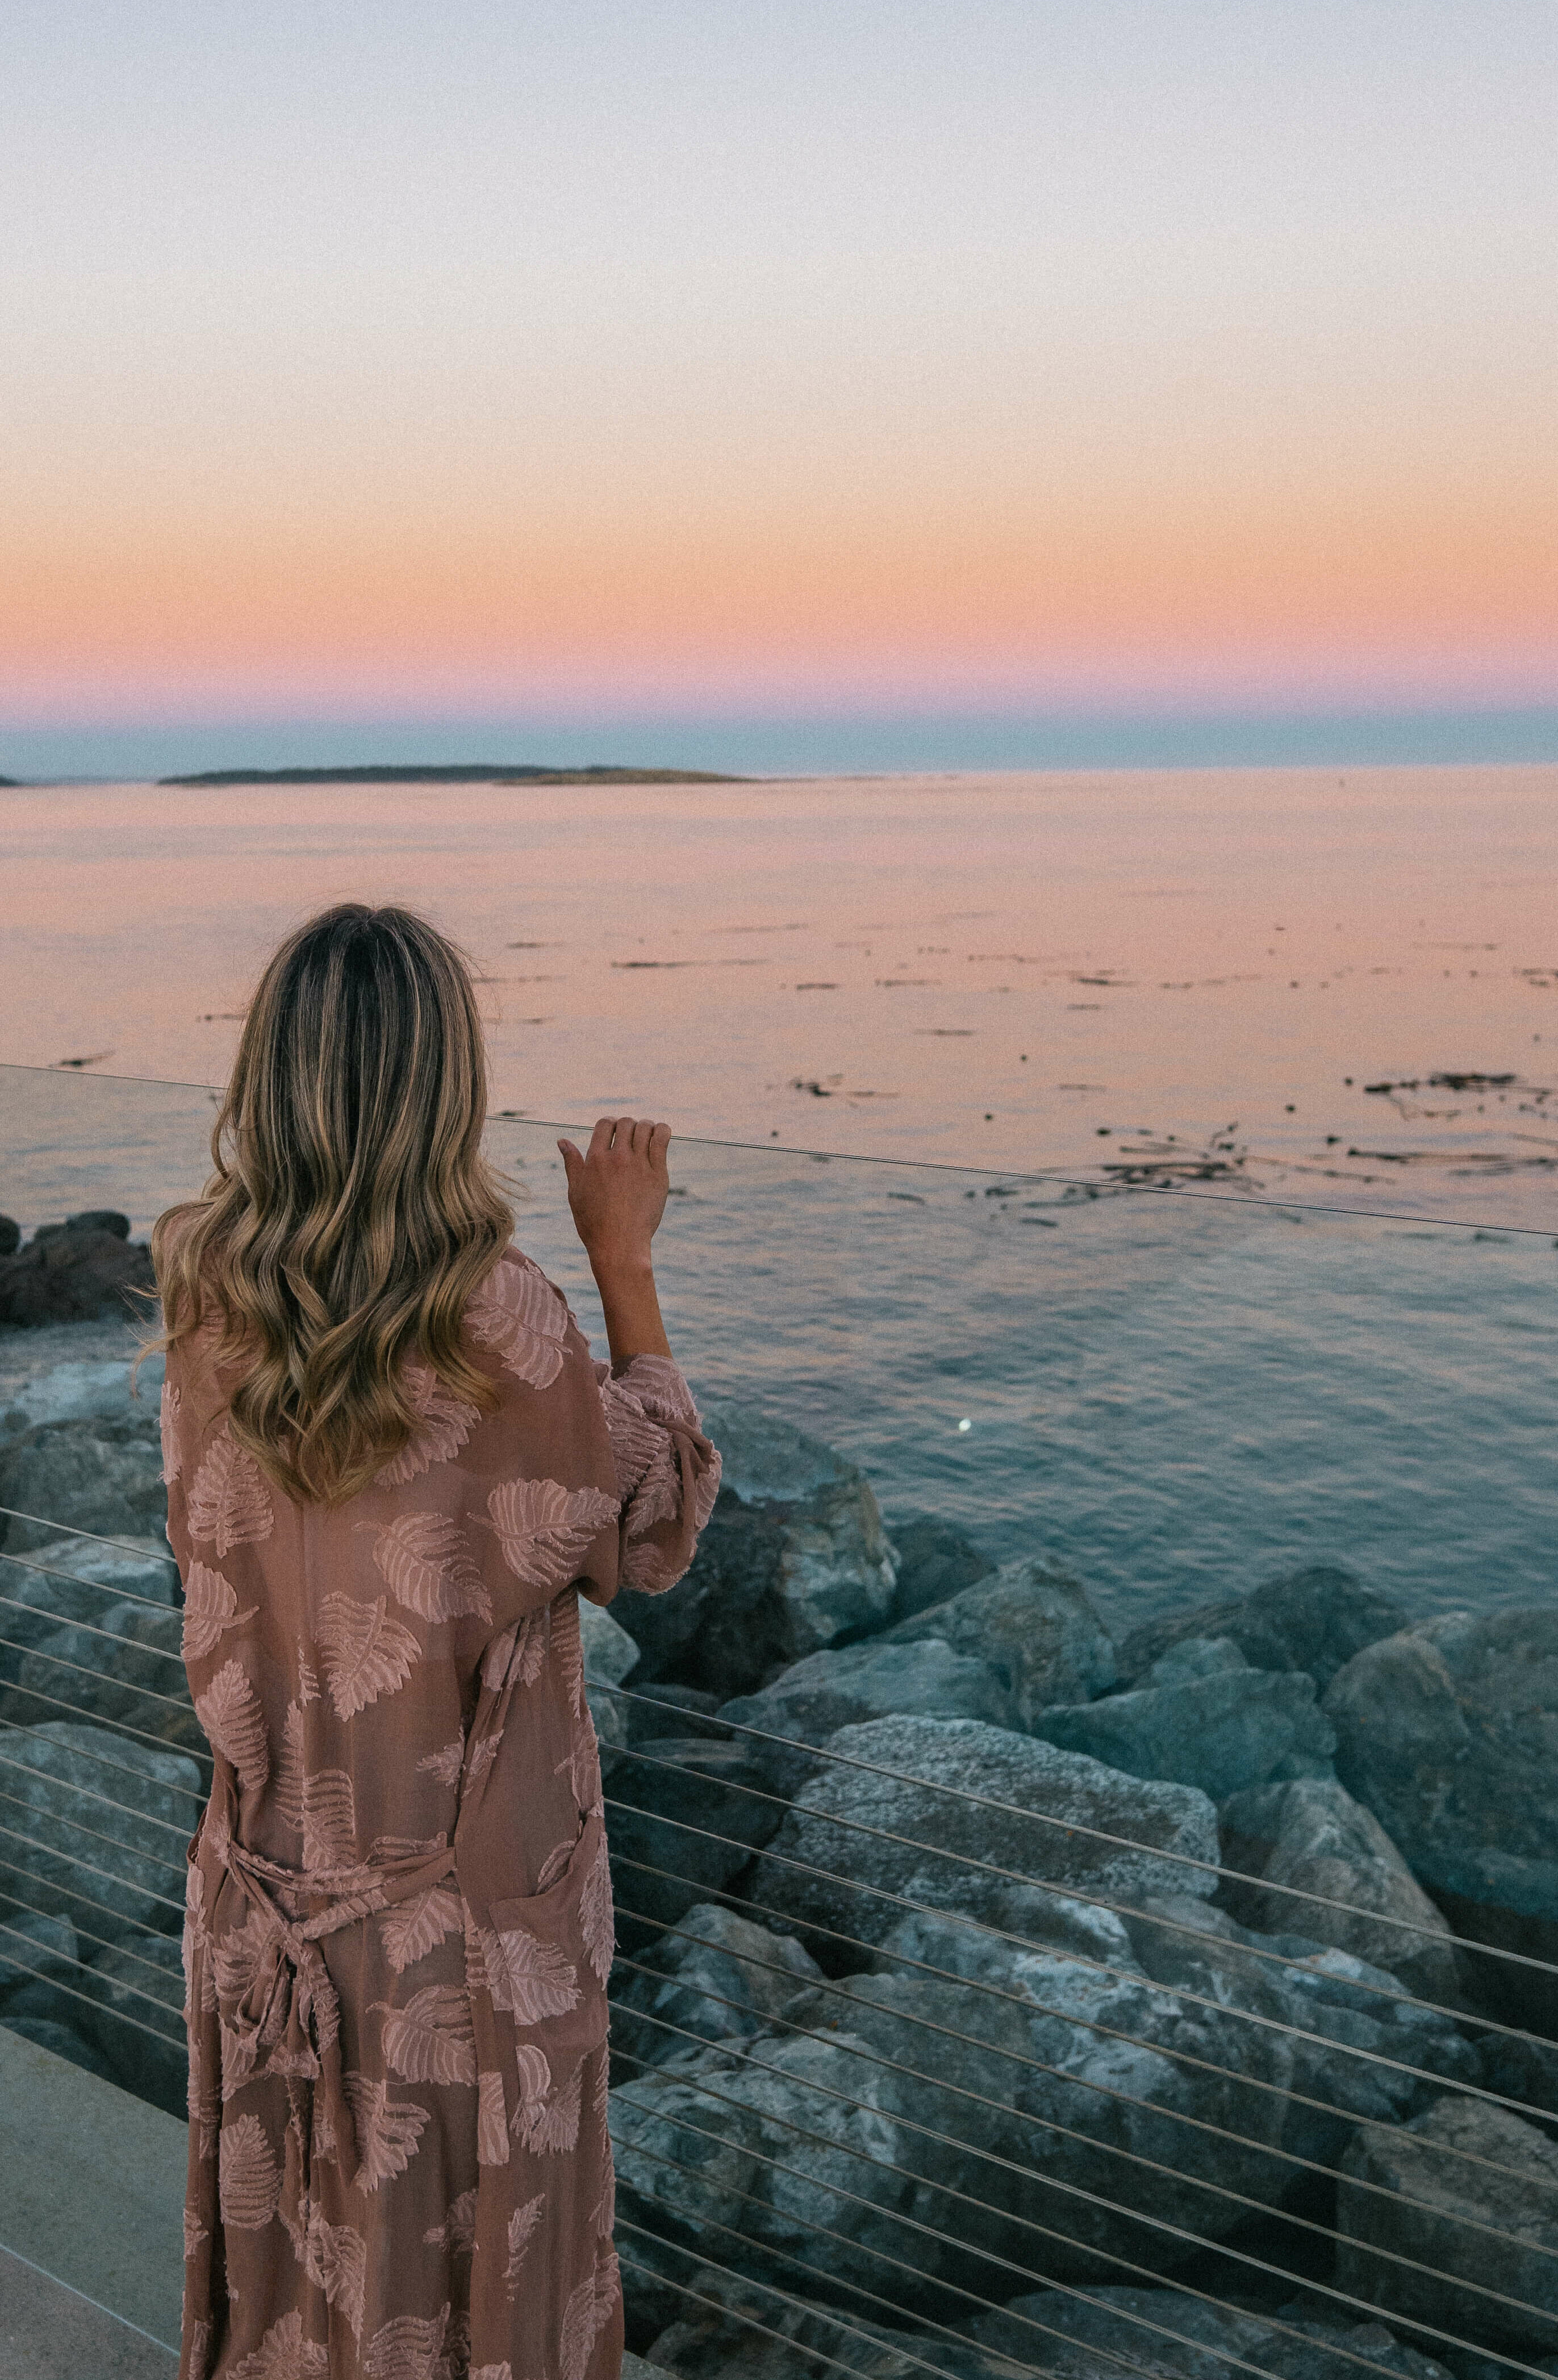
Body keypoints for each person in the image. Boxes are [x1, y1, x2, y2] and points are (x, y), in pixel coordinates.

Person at [150, 904, 720, 2380]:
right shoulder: (498, 1323)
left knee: (306, 2300)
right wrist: (626, 1259)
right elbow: (648, 1521)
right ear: (446, 1083)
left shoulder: (210, 1291)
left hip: (264, 1906)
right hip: (449, 1959)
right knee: (481, 2313)